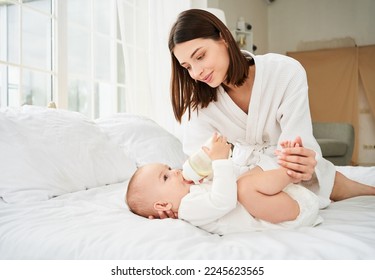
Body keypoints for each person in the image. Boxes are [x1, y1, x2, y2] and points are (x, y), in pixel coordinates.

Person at [163, 8, 375, 219]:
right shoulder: (199, 106)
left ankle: (345, 185)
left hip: (289, 166)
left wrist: (300, 160)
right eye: (187, 66)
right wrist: (172, 202)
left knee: (342, 185)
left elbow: (297, 144)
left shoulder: (284, 71)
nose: (196, 72)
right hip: (251, 177)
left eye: (200, 56)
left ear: (223, 38)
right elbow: (199, 166)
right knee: (248, 188)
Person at [126, 133, 322, 235]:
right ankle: (291, 171)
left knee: (242, 180)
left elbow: (223, 183)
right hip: (287, 216)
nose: (174, 171)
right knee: (243, 188)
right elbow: (224, 201)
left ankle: (288, 166)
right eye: (166, 177)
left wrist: (208, 162)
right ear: (162, 205)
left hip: (280, 203)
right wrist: (220, 161)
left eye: (169, 168)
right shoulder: (188, 208)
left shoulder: (193, 190)